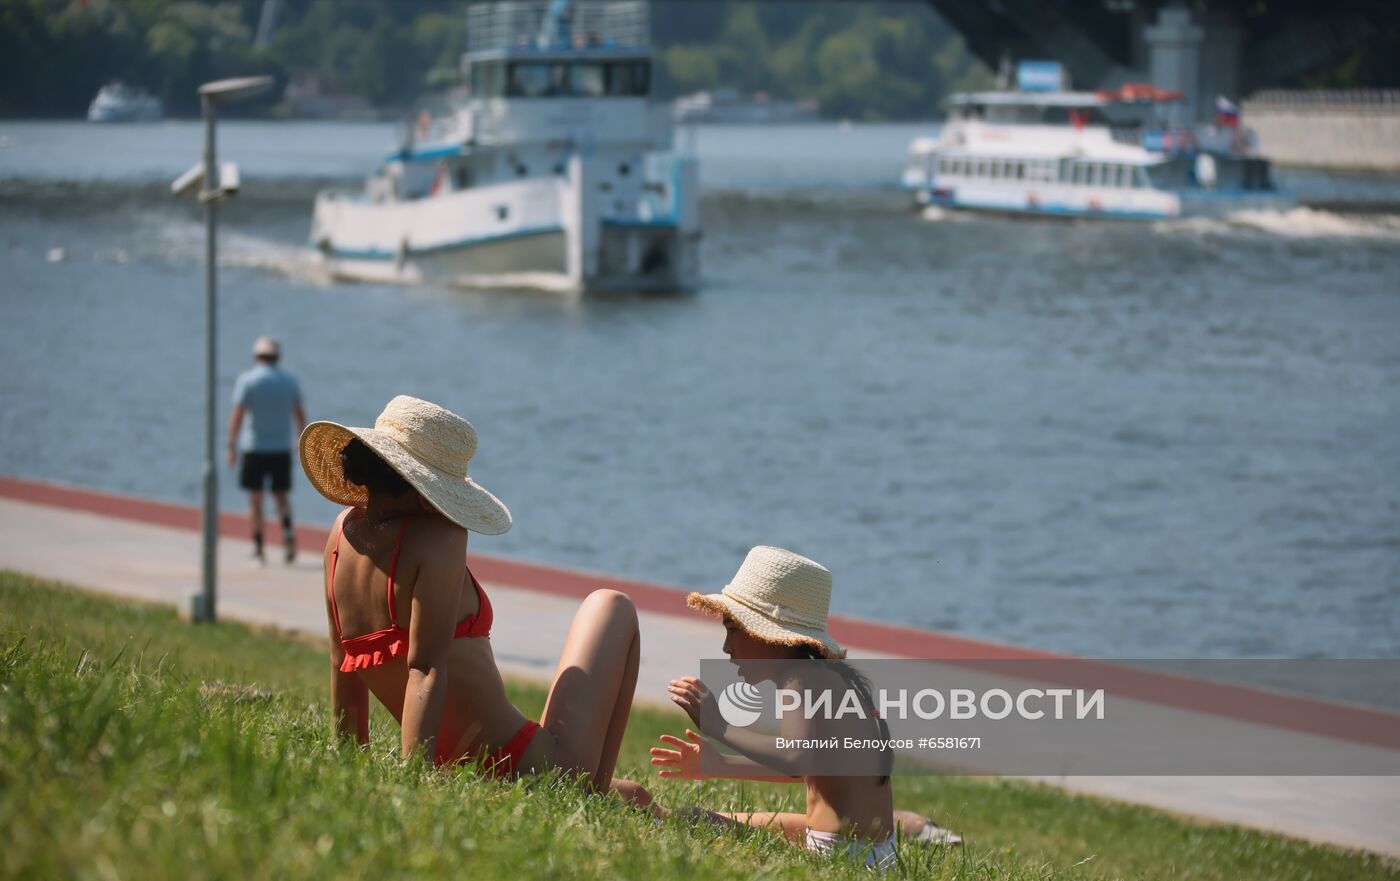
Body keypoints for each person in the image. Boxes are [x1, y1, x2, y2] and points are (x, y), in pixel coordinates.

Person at [299, 395, 645, 794]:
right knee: (611, 604)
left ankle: (640, 801)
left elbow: (343, 662)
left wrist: (349, 760)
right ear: (421, 488)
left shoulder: (340, 536)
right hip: (527, 766)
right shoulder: (438, 540)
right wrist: (414, 785)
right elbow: (425, 669)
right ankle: (593, 791)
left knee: (636, 795)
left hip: (463, 768)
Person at [650, 546, 959, 871]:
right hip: (877, 852)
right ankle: (915, 828)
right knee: (732, 819)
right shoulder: (828, 678)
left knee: (694, 818)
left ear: (769, 634)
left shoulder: (800, 679)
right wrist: (719, 764)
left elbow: (794, 759)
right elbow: (812, 763)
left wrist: (718, 725)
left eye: (733, 629)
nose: (726, 646)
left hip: (840, 856)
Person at [228, 336, 306, 564]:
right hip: (281, 448)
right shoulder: (290, 381)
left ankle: (259, 546)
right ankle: (289, 534)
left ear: (256, 356)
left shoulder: (247, 380)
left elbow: (238, 415)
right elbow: (299, 414)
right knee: (281, 496)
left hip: (254, 447)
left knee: (255, 499)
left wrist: (231, 445)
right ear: (277, 357)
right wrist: (302, 440)